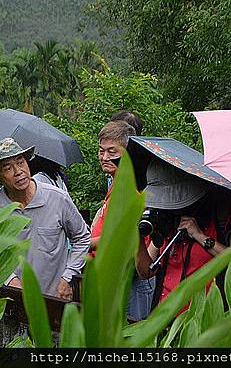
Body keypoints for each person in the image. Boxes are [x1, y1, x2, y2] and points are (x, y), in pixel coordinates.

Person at [0, 137, 90, 299]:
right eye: (8, 168)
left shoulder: (57, 198)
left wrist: (68, 277)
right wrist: (10, 281)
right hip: (11, 299)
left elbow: (82, 237)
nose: (18, 172)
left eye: (21, 162)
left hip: (55, 298)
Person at [135, 159, 231, 309]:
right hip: (166, 320)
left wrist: (200, 236)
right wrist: (136, 236)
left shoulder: (222, 211)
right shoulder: (165, 218)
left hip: (208, 318)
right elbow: (146, 272)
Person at [88, 120, 156, 320]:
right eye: (101, 151)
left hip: (129, 277)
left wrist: (83, 244)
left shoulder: (129, 188)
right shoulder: (116, 182)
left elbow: (123, 238)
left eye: (112, 151)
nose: (104, 157)